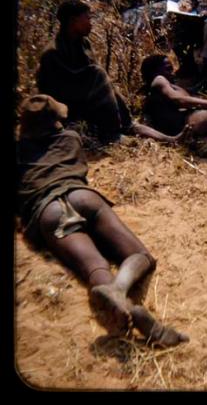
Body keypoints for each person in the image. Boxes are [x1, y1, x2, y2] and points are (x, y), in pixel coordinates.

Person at [17, 94, 189, 346]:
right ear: (56, 121)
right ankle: (122, 290)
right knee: (139, 256)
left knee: (94, 266)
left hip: (48, 210)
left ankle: (118, 298)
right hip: (82, 196)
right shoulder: (70, 139)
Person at [37, 0, 174, 145]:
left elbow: (93, 80)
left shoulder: (83, 43)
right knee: (98, 74)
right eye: (87, 18)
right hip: (66, 111)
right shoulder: (52, 53)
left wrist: (117, 103)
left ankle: (164, 137)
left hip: (84, 100)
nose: (91, 23)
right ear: (73, 21)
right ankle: (111, 133)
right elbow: (57, 93)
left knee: (106, 84)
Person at [140, 53, 207, 140]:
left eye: (172, 69)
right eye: (168, 69)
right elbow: (178, 100)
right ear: (154, 73)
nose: (173, 73)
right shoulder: (159, 79)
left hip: (184, 122)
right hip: (181, 127)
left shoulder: (169, 84)